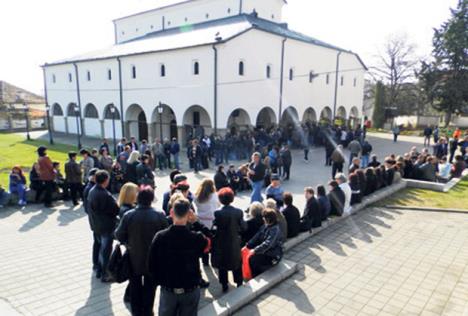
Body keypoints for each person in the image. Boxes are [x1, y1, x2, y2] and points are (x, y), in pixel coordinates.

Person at [148, 198, 209, 316]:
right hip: (190, 289)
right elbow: (211, 238)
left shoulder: (160, 237)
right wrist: (196, 222)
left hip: (168, 289)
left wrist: (161, 282)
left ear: (171, 213)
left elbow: (151, 265)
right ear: (189, 214)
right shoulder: (196, 238)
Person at [115, 186, 169, 316]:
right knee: (150, 288)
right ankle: (148, 311)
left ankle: (136, 311)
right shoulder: (160, 214)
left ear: (138, 199)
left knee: (135, 286)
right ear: (151, 199)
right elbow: (166, 236)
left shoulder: (129, 215)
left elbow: (118, 235)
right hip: (154, 259)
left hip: (134, 258)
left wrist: (127, 242)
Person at [211, 188, 246, 292]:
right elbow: (244, 227)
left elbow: (215, 228)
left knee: (222, 264)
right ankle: (239, 282)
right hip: (235, 241)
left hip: (222, 242)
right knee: (237, 262)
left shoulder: (218, 213)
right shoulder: (238, 212)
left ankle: (224, 285)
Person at [88, 170, 120, 282]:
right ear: (106, 180)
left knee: (98, 246)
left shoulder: (92, 190)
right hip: (105, 226)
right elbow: (115, 210)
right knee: (105, 250)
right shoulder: (105, 194)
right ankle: (104, 273)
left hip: (95, 225)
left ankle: (97, 266)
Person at [246, 208, 283, 278]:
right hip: (266, 251)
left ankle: (255, 276)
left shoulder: (275, 230)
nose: (262, 218)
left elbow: (268, 244)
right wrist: (248, 244)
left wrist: (255, 250)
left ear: (268, 219)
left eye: (264, 217)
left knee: (253, 259)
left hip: (273, 255)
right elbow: (257, 235)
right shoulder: (265, 226)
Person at [83, 168, 99, 272]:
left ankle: (96, 262)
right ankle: (97, 263)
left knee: (97, 243)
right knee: (98, 243)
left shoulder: (90, 187)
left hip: (95, 221)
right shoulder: (91, 189)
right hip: (97, 221)